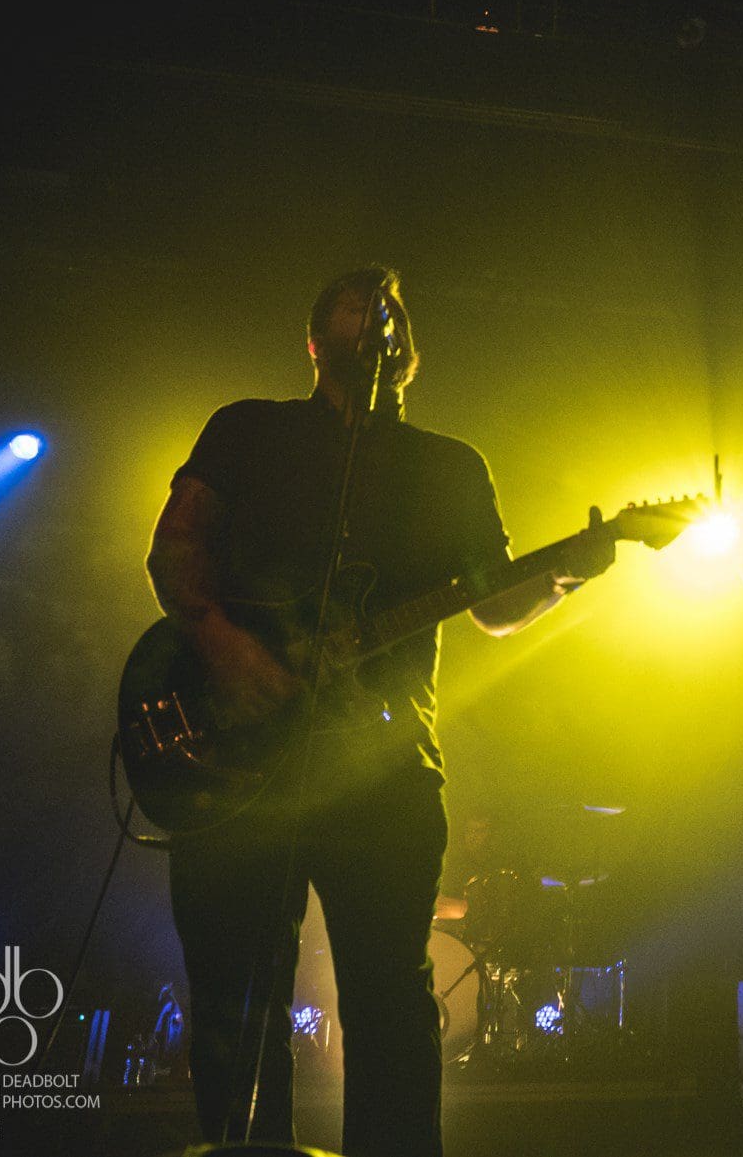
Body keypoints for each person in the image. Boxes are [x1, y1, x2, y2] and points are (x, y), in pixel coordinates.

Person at [145, 267, 614, 1157]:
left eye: (393, 310)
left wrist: (567, 572)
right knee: (236, 992)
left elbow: (493, 604)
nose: (380, 320)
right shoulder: (248, 431)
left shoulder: (448, 466)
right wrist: (222, 643)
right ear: (315, 338)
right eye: (360, 306)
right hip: (241, 762)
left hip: (385, 766)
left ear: (410, 350)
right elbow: (175, 545)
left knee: (391, 998)